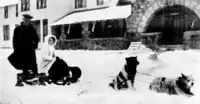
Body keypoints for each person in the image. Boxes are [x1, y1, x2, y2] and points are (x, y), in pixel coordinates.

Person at [8, 14, 39, 86]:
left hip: (30, 49)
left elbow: (36, 39)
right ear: (23, 20)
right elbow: (14, 40)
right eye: (26, 20)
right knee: (24, 63)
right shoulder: (18, 29)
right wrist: (16, 49)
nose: (27, 21)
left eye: (28, 20)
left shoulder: (32, 29)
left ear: (30, 21)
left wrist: (35, 45)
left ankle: (34, 76)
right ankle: (25, 76)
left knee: (33, 63)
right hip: (21, 50)